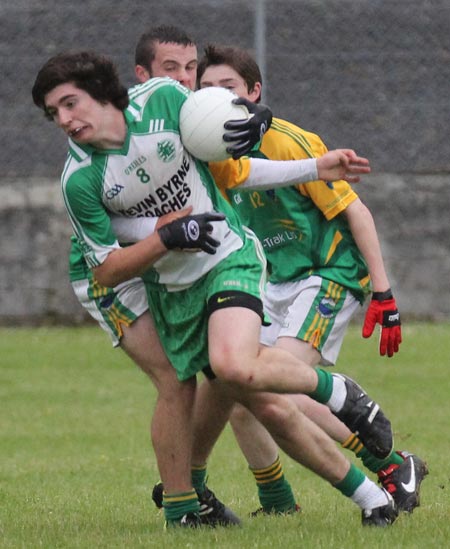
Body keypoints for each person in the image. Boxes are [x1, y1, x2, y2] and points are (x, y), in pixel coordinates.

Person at [33, 48, 403, 528]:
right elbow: (106, 270)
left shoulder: (169, 104)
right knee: (206, 385)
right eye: (52, 113)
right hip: (155, 282)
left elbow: (237, 167)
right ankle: (356, 490)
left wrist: (259, 126)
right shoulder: (81, 179)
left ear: (103, 90)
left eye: (69, 104)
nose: (63, 119)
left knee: (234, 371)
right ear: (143, 69)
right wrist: (166, 237)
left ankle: (334, 418)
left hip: (227, 257)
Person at [126, 28, 425, 519]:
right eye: (207, 89)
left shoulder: (283, 140)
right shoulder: (198, 149)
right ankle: (277, 502)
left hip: (324, 275)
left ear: (254, 94)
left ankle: (390, 462)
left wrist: (384, 294)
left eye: (229, 89)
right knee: (237, 385)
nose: (213, 97)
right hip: (268, 280)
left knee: (262, 382)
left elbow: (358, 212)